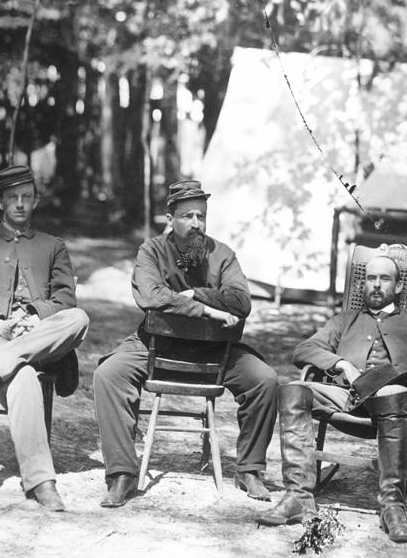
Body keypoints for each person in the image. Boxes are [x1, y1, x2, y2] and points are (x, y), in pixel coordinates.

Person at [256, 252, 407, 544]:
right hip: (346, 397)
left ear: (399, 286)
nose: (377, 285)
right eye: (371, 278)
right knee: (293, 390)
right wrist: (341, 363)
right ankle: (297, 496)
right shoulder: (345, 320)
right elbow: (303, 351)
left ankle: (393, 506)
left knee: (392, 394)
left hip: (393, 402)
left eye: (384, 278)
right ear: (362, 284)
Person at [93, 180, 279, 507]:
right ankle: (122, 472)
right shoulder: (151, 250)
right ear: (170, 218)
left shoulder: (222, 254)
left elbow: (241, 302)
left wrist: (196, 293)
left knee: (265, 381)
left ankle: (249, 468)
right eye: (187, 216)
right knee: (109, 374)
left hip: (214, 353)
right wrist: (207, 310)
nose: (196, 224)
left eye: (201, 216)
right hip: (156, 348)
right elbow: (151, 296)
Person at [0, 165, 90, 512]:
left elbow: (65, 299)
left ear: (37, 200)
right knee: (23, 376)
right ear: (0, 201)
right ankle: (42, 481)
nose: (21, 204)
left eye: (27, 197)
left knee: (79, 318)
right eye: (13, 198)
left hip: (39, 339)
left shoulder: (52, 246)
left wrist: (34, 316)